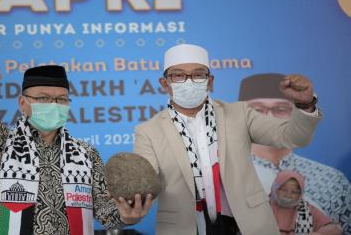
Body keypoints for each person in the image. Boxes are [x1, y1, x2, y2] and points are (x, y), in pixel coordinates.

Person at [0, 63, 152, 235]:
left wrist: (128, 217)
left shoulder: (85, 154)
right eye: (43, 98)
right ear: (22, 103)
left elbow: (105, 211)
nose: (53, 104)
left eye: (61, 99)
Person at [133, 44, 322, 235]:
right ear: (165, 84)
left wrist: (305, 104)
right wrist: (131, 202)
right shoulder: (148, 131)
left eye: (198, 74)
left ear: (210, 82)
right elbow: (144, 184)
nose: (189, 81)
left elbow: (293, 137)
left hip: (246, 225)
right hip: (184, 227)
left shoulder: (240, 114)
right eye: (178, 75)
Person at [239, 73, 351, 234]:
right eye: (257, 109)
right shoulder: (227, 174)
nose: (268, 117)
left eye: (281, 109)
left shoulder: (332, 180)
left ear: (297, 114)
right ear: (241, 116)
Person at [270, 170, 343, 235]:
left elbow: (336, 228)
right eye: (284, 190)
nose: (288, 195)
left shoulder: (307, 210)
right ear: (275, 189)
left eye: (294, 192)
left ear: (300, 194)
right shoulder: (264, 205)